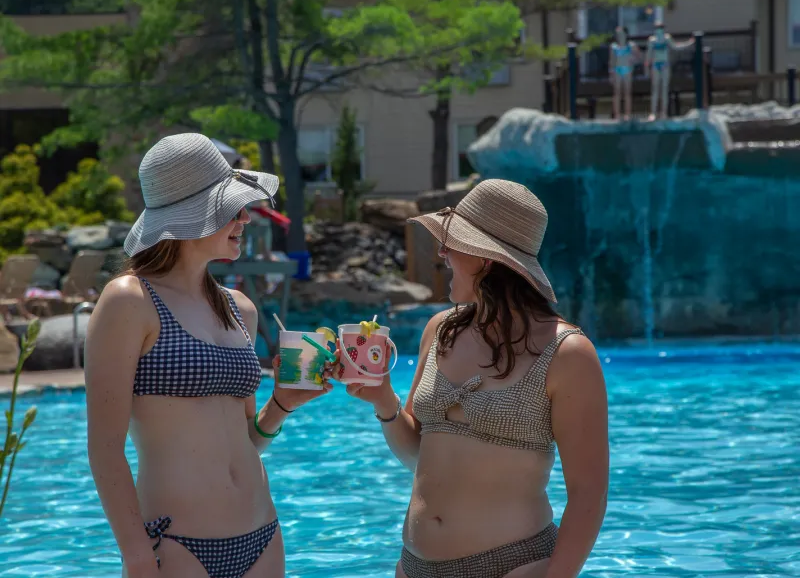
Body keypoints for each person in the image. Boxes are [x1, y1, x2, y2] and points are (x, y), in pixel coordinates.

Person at [85, 133, 333, 578]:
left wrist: (281, 406)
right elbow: (105, 449)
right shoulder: (129, 300)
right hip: (177, 544)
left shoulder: (241, 310)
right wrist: (135, 553)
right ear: (191, 216)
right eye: (230, 208)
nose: (244, 217)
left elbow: (245, 440)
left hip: (263, 534)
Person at [345, 179, 609, 578]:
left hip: (514, 568)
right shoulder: (441, 330)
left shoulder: (567, 354)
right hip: (414, 567)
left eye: (451, 245)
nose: (442, 254)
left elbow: (589, 494)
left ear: (486, 260)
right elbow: (419, 455)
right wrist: (384, 402)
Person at [645, 22, 696, 120]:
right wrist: (647, 69)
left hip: (665, 65)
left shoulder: (667, 38)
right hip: (656, 66)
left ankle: (663, 112)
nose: (659, 30)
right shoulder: (652, 40)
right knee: (655, 89)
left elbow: (676, 47)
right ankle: (653, 113)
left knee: (664, 89)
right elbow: (648, 55)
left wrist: (689, 43)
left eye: (661, 28)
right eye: (657, 28)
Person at [609, 26, 641, 121]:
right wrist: (611, 74)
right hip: (618, 70)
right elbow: (612, 61)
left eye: (622, 34)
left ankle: (627, 114)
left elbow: (639, 57)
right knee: (617, 93)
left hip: (627, 70)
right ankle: (617, 114)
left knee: (627, 92)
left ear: (626, 35)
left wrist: (633, 60)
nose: (620, 36)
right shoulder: (614, 47)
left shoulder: (631, 46)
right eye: (618, 34)